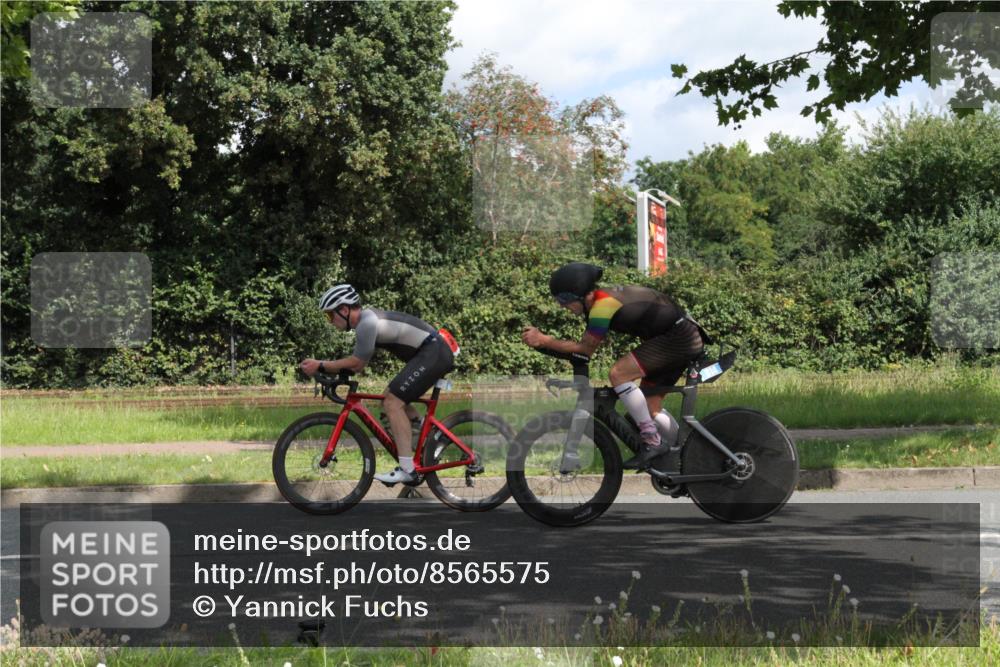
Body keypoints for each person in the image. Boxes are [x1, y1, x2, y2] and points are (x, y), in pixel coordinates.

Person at [522, 262, 705, 469]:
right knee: (650, 408)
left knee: (618, 374)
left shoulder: (602, 306)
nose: (561, 306)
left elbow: (584, 349)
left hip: (679, 338)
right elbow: (583, 352)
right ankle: (686, 456)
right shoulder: (599, 303)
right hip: (680, 335)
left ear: (581, 295)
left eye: (564, 299)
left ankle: (653, 442)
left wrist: (545, 340)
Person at [299, 284, 456, 485]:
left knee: (393, 403)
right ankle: (433, 438)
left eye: (330, 316)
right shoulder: (367, 321)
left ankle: (408, 469)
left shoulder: (367, 323)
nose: (330, 322)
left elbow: (356, 364)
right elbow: (357, 363)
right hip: (431, 352)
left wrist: (320, 365)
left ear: (344, 310)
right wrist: (328, 368)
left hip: (434, 352)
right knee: (389, 398)